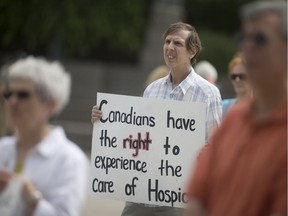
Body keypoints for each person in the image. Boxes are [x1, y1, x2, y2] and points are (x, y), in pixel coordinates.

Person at [92, 22, 222, 216]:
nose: (169, 47)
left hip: (179, 195)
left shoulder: (208, 93)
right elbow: (137, 134)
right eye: (167, 42)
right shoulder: (152, 89)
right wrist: (105, 120)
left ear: (192, 51)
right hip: (142, 191)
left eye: (177, 43)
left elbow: (216, 145)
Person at [185, 1, 287, 216]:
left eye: (260, 39)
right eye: (244, 38)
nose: (247, 48)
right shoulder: (234, 118)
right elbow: (197, 196)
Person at [0, 56, 88, 216]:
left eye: (23, 95)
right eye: (9, 93)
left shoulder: (69, 158)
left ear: (50, 105)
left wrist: (30, 197)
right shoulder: (3, 148)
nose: (12, 101)